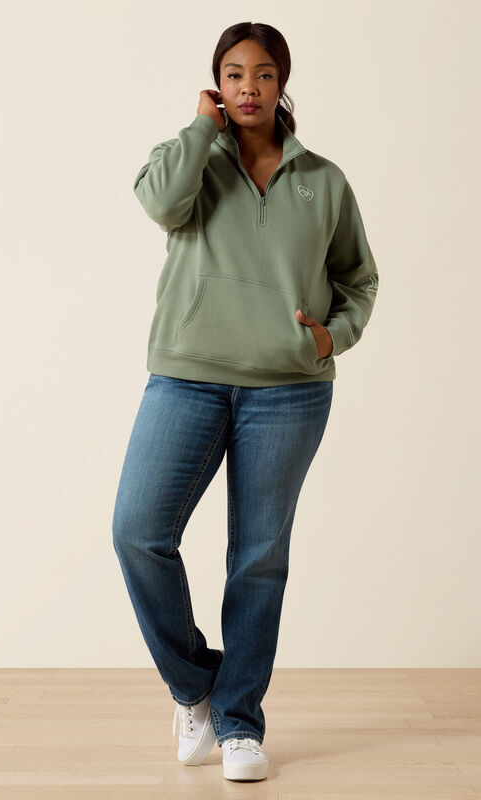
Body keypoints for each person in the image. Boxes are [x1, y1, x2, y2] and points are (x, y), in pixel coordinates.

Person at [112, 22, 378, 783]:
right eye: (233, 74)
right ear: (217, 84)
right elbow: (159, 203)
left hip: (289, 391)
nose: (248, 87)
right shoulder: (191, 159)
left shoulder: (323, 180)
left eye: (263, 74)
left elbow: (359, 279)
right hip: (187, 376)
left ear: (281, 83)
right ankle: (195, 686)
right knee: (138, 532)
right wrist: (201, 128)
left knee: (258, 560)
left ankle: (239, 724)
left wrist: (331, 336)